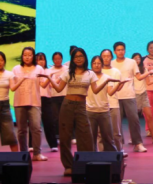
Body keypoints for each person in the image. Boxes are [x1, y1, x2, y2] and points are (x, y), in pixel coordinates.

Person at [41, 47, 122, 176]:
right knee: (65, 137)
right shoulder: (68, 73)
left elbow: (95, 90)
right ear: (72, 59)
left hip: (81, 106)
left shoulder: (90, 74)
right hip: (67, 105)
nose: (79, 59)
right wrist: (49, 78)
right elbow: (58, 88)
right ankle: (68, 166)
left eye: (81, 56)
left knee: (86, 136)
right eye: (76, 57)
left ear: (85, 58)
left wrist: (106, 81)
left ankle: (85, 163)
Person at [112, 42, 151, 153]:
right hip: (115, 96)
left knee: (134, 120)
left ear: (125, 50)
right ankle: (119, 146)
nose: (121, 52)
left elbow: (138, 77)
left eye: (122, 49)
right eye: (118, 50)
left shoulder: (131, 62)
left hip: (129, 95)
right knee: (116, 123)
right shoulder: (111, 63)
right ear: (115, 51)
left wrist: (148, 73)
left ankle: (138, 143)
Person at [12, 46, 48, 161]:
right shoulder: (16, 69)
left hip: (34, 102)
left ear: (33, 57)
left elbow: (43, 85)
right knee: (21, 130)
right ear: (22, 56)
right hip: (19, 102)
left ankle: (37, 153)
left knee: (36, 128)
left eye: (29, 55)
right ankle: (24, 154)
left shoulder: (39, 69)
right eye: (25, 55)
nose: (27, 57)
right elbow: (12, 86)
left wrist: (49, 77)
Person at [85, 56, 128, 152]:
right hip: (90, 110)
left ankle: (112, 157)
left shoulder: (106, 77)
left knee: (108, 137)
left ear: (102, 65)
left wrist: (120, 84)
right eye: (94, 63)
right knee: (91, 137)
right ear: (91, 65)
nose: (96, 65)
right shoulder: (88, 76)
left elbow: (110, 92)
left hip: (104, 110)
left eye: (98, 63)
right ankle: (92, 157)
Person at [132, 53, 153, 144]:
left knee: (149, 116)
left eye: (139, 58)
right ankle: (133, 138)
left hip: (143, 94)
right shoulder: (131, 69)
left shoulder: (144, 69)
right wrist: (149, 72)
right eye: (135, 58)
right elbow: (139, 78)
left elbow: (148, 82)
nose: (137, 60)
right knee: (134, 119)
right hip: (135, 95)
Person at [100, 49, 125, 155]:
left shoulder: (116, 72)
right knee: (100, 133)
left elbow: (117, 88)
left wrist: (122, 84)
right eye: (104, 56)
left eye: (108, 56)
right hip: (100, 105)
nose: (106, 58)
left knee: (116, 132)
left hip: (113, 104)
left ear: (111, 57)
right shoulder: (97, 71)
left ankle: (119, 152)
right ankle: (101, 153)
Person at [44, 52, 66, 152]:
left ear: (62, 59)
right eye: (55, 59)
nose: (57, 60)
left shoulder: (66, 69)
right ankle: (57, 136)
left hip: (65, 95)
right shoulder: (50, 71)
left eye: (59, 58)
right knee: (55, 118)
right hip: (53, 96)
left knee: (65, 118)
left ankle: (66, 136)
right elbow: (50, 85)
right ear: (53, 60)